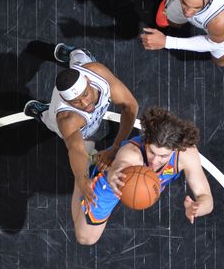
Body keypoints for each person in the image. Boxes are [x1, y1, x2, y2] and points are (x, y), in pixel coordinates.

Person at [72, 107, 214, 245]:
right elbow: (118, 166)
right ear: (146, 141)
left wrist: (199, 208)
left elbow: (205, 197)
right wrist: (113, 176)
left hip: (140, 185)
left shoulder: (187, 154)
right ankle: (82, 170)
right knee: (85, 238)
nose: (155, 161)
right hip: (114, 183)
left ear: (176, 148)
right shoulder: (131, 153)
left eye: (163, 156)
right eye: (152, 152)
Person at [24, 44, 139, 209]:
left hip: (85, 70)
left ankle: (75, 53)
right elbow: (76, 149)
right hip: (68, 121)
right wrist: (81, 178)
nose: (85, 103)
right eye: (76, 101)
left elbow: (130, 105)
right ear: (67, 101)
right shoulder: (66, 118)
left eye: (85, 95)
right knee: (51, 122)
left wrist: (115, 147)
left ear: (88, 81)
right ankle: (42, 112)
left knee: (81, 60)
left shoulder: (97, 72)